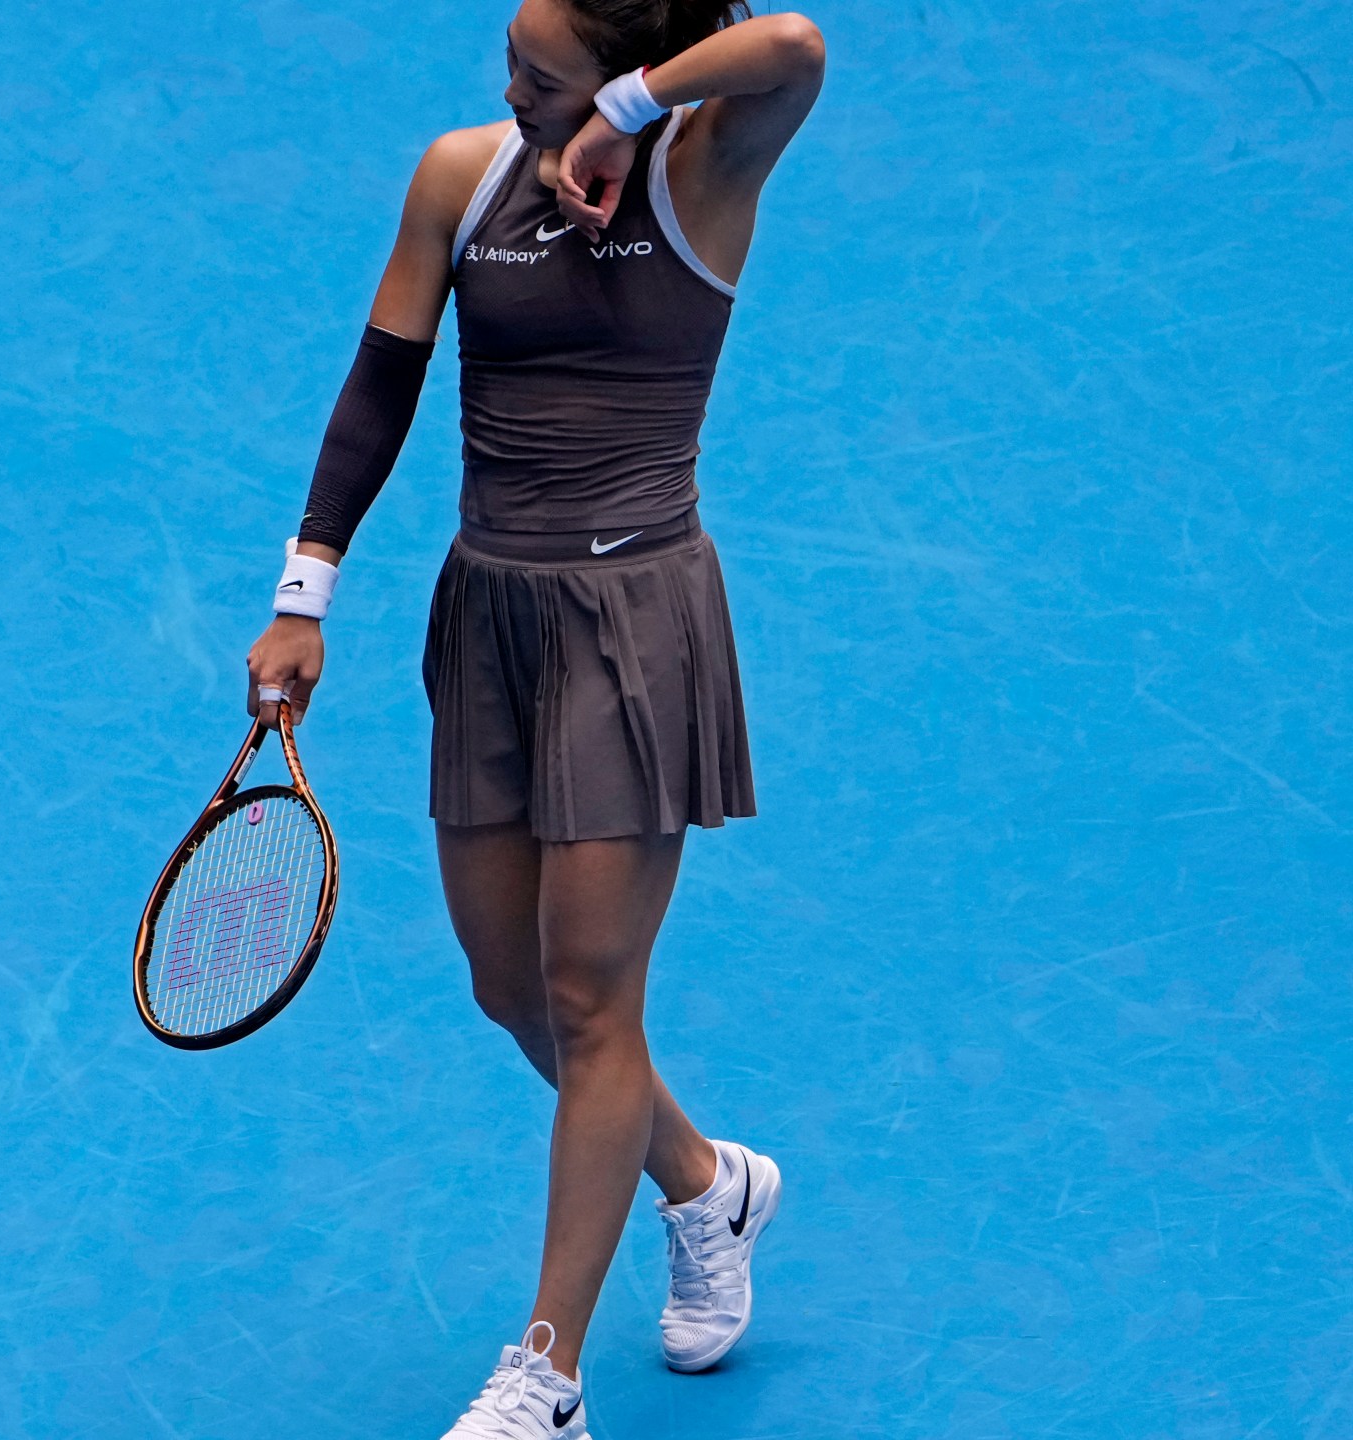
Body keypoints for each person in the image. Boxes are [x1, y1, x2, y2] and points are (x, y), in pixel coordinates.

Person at [242, 1, 826, 1433]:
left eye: (545, 78)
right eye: (513, 65)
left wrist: (628, 116)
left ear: (628, 75)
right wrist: (303, 593)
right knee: (516, 991)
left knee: (588, 997)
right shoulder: (464, 173)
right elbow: (378, 387)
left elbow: (796, 48)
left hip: (636, 628)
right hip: (490, 618)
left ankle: (544, 1376)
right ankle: (708, 1184)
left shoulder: (706, 171)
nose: (512, 92)